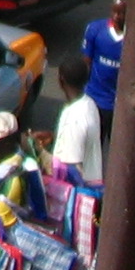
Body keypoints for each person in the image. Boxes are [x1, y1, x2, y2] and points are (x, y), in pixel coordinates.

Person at [37, 53, 104, 187]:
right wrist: (54, 136)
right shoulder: (89, 104)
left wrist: (39, 151)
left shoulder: (75, 119)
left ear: (61, 80)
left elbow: (72, 170)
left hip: (77, 195)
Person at [83, 0, 126, 141]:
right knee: (94, 149)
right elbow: (86, 62)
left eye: (121, 13)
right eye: (114, 11)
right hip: (96, 100)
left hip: (119, 106)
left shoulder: (134, 39)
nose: (116, 16)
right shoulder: (95, 30)